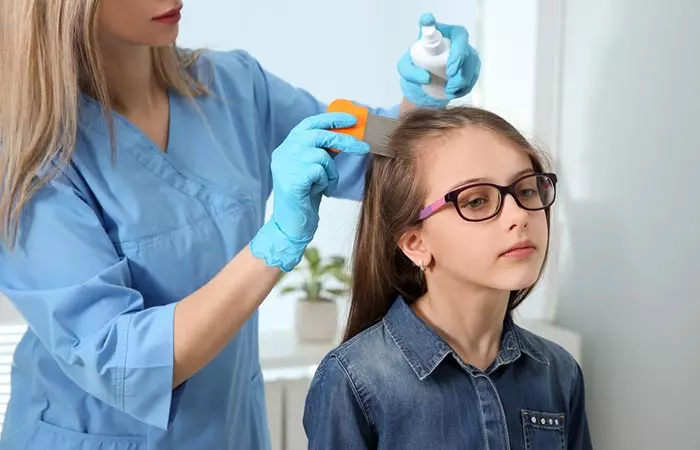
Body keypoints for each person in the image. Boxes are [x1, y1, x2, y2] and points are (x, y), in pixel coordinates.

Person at [0, 0, 481, 448]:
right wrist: (274, 243)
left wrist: (422, 99)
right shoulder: (35, 162)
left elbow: (372, 148)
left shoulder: (232, 85)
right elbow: (119, 358)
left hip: (230, 429)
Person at [302, 106, 593, 449]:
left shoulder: (558, 372)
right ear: (416, 243)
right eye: (476, 201)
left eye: (527, 191)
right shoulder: (354, 380)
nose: (519, 216)